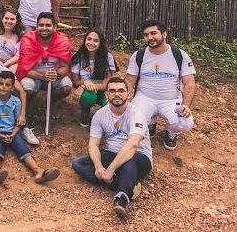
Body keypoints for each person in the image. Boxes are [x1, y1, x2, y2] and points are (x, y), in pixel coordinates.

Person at [72, 77, 152, 220]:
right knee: (78, 163)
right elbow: (93, 144)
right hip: (112, 154)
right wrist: (98, 167)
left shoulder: (137, 114)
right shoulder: (100, 115)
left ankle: (122, 197)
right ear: (107, 94)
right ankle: (125, 184)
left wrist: (110, 169)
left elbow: (133, 144)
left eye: (121, 91)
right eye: (112, 91)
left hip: (139, 157)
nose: (117, 94)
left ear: (129, 94)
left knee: (130, 159)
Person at [125, 19, 196, 150]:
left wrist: (185, 104)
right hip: (144, 97)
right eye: (146, 35)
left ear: (164, 34)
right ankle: (150, 123)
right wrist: (123, 97)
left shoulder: (179, 55)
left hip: (171, 100)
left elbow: (190, 83)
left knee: (185, 122)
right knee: (130, 120)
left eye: (153, 33)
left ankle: (172, 131)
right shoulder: (139, 55)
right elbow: (130, 80)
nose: (150, 37)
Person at [0, 71, 60, 185]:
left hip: (12, 131)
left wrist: (13, 134)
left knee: (23, 149)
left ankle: (38, 171)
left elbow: (18, 122)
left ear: (13, 87)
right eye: (1, 84)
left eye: (7, 85)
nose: (4, 87)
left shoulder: (16, 101)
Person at [16, 12, 71, 128]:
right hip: (34, 76)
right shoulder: (28, 40)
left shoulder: (62, 40)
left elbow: (65, 67)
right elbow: (25, 69)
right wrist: (42, 76)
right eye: (41, 25)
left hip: (54, 77)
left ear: (54, 27)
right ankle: (30, 109)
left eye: (48, 25)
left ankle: (51, 102)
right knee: (26, 86)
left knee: (66, 86)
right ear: (36, 26)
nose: (44, 28)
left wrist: (56, 74)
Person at [71, 29, 117, 128]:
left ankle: (105, 121)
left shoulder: (108, 57)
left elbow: (106, 83)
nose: (91, 43)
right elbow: (75, 82)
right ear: (85, 40)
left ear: (101, 43)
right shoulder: (78, 57)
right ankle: (85, 112)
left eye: (96, 41)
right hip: (87, 92)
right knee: (89, 97)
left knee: (109, 104)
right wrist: (85, 82)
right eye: (89, 39)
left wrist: (90, 86)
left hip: (102, 90)